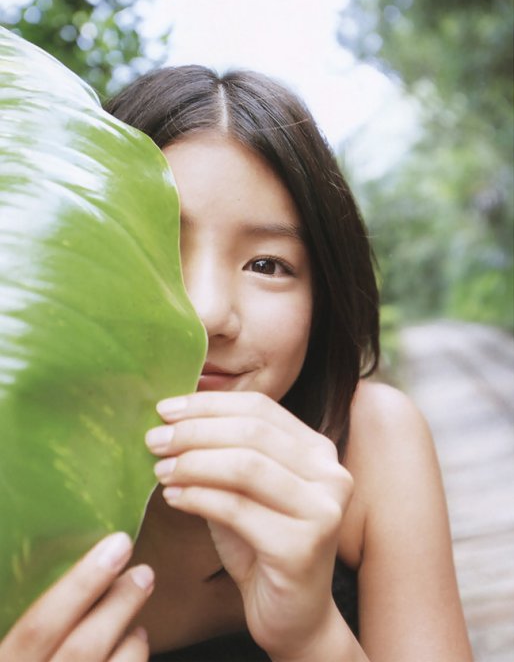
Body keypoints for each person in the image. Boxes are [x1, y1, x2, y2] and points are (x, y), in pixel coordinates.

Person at [0, 66, 473, 662]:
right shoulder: (13, 471)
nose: (208, 313)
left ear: (322, 294)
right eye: (158, 247)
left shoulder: (375, 439)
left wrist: (312, 636)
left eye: (267, 265)